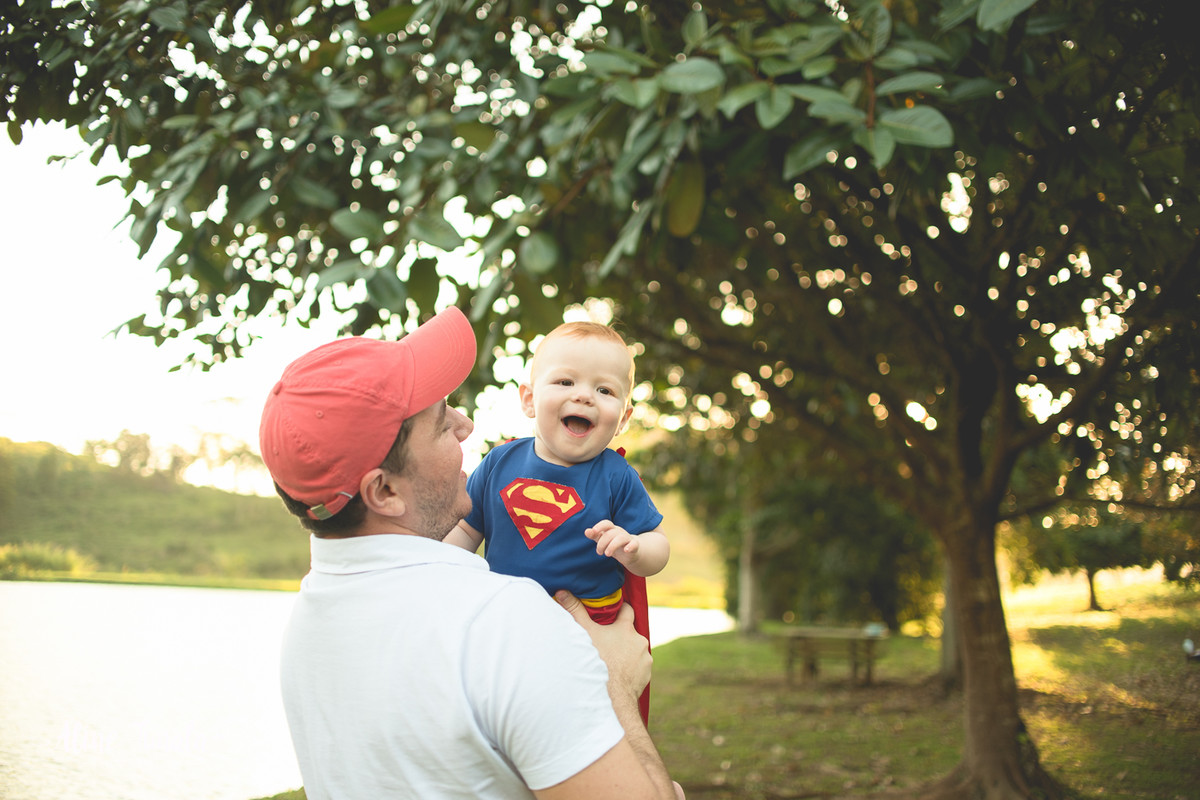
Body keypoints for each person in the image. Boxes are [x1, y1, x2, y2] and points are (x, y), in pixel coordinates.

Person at [259, 306, 682, 800]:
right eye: (441, 423)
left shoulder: (308, 626)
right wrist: (616, 688)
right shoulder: (507, 623)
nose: (465, 424)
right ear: (384, 492)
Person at [445, 321, 669, 724]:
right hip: (508, 624)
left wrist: (634, 549)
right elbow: (465, 530)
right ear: (529, 400)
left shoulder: (616, 476)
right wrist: (436, 567)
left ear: (623, 418)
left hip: (589, 630)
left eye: (605, 390)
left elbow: (658, 544)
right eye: (565, 382)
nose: (583, 395)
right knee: (504, 716)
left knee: (577, 723)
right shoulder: (499, 463)